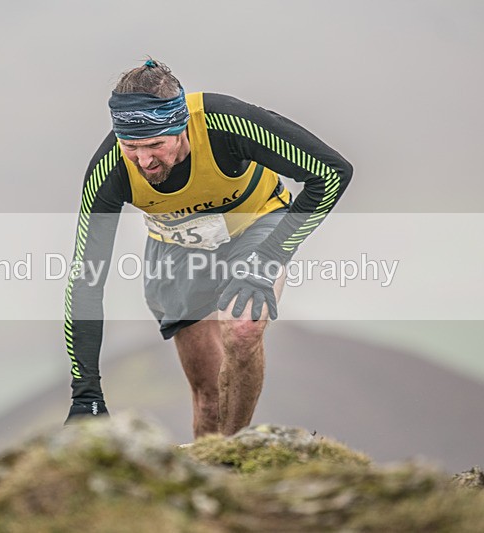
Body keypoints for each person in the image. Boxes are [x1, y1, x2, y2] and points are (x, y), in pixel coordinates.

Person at [64, 59, 352, 438]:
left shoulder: (227, 124)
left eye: (155, 144)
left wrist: (269, 257)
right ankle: (207, 471)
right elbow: (87, 278)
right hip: (177, 248)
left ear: (181, 126)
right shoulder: (110, 168)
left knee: (244, 327)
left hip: (256, 227)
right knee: (210, 398)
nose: (144, 160)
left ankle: (232, 454)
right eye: (131, 146)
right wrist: (86, 394)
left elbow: (332, 172)